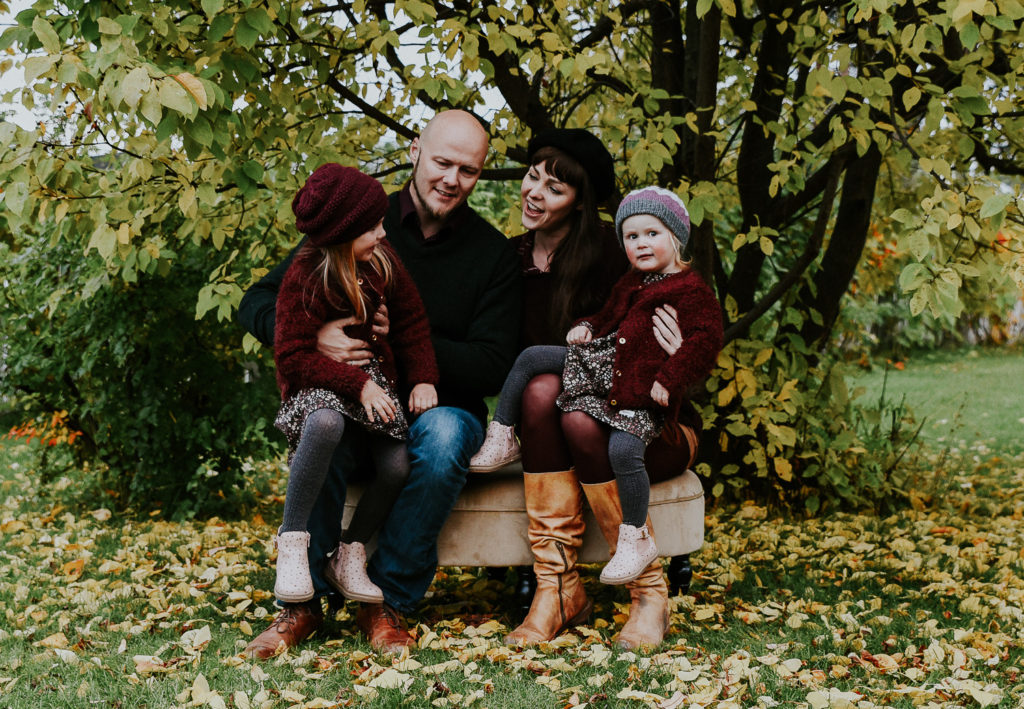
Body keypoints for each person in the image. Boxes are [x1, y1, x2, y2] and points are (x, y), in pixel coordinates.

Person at [238, 110, 521, 658]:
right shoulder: (356, 212)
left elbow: (493, 363)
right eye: (442, 161)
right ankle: (302, 604)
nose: (451, 179)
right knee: (327, 432)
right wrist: (315, 337)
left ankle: (385, 604)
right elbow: (260, 300)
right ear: (415, 150)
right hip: (352, 396)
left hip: (440, 404)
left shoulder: (492, 253)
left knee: (438, 442)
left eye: (469, 170)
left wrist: (406, 345)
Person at [490, 184, 724, 650]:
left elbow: (705, 340)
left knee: (584, 422)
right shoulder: (630, 282)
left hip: (645, 407)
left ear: (675, 238)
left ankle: (649, 592)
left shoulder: (691, 289)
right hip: (607, 380)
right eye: (631, 236)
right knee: (541, 377)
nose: (640, 243)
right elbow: (608, 315)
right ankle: (557, 587)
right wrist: (588, 327)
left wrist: (673, 371)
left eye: (651, 233)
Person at [270, 164, 438, 606]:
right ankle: (292, 541)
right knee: (324, 424)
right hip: (321, 386)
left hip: (373, 386)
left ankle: (350, 550)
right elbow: (291, 356)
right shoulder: (306, 274)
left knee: (398, 465)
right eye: (372, 227)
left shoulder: (382, 261)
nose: (383, 233)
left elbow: (413, 320)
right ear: (342, 233)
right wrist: (357, 384)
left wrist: (422, 377)